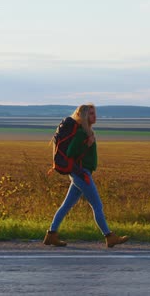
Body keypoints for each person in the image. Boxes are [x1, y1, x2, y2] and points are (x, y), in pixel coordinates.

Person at [43, 103, 129, 248]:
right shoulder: (82, 133)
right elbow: (70, 153)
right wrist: (87, 144)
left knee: (66, 205)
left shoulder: (87, 131)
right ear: (83, 116)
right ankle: (109, 236)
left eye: (94, 113)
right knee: (97, 205)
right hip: (81, 174)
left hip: (80, 173)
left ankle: (51, 235)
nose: (94, 116)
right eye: (90, 114)